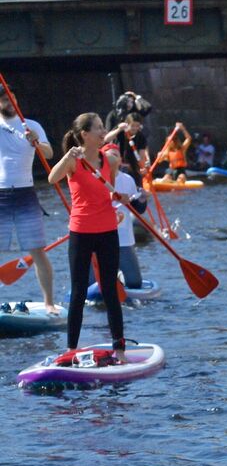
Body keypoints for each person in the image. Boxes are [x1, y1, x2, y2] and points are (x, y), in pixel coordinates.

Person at [49, 114, 130, 358]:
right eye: (98, 128)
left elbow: (113, 190)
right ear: (84, 134)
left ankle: (119, 349)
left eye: (103, 128)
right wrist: (67, 156)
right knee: (79, 292)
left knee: (109, 290)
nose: (103, 131)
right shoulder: (74, 162)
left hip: (107, 231)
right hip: (81, 231)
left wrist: (121, 198)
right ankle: (71, 349)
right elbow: (53, 178)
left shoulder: (111, 160)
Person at [0, 92, 59, 312]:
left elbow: (50, 153)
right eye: (5, 99)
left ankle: (49, 303)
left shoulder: (31, 125)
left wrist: (36, 141)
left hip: (26, 192)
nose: (10, 102)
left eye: (13, 98)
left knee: (37, 251)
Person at [90, 161, 146, 290]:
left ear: (119, 160)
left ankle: (118, 275)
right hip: (97, 240)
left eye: (115, 155)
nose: (112, 159)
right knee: (90, 285)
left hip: (123, 240)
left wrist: (142, 199)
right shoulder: (93, 176)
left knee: (135, 284)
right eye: (108, 156)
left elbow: (138, 208)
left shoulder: (127, 179)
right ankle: (111, 276)